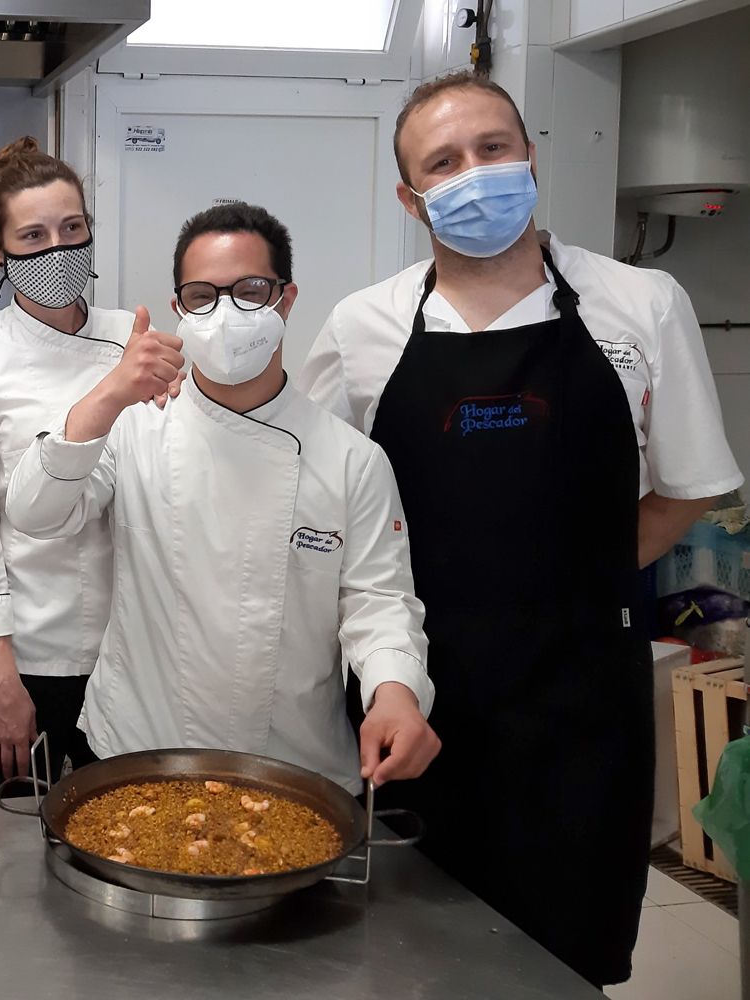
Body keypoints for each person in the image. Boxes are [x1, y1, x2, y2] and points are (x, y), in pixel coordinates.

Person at [300, 71, 744, 987]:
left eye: (492, 149)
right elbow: (323, 502)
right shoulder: (364, 327)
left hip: (580, 694)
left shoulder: (639, 302)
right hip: (415, 690)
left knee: (567, 951)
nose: (475, 173)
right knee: (409, 952)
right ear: (410, 196)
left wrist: (577, 576)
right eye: (444, 162)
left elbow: (691, 487)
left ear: (530, 154)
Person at [5, 201, 441, 795]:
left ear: (286, 301)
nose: (227, 312)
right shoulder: (136, 427)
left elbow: (379, 603)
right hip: (140, 753)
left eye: (251, 291)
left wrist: (396, 693)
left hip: (292, 765)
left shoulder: (350, 459)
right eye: (204, 295)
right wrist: (107, 396)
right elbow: (35, 513)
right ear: (180, 308)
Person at [0, 136, 141, 795]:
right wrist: (0, 680)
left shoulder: (134, 340)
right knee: (2, 858)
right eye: (33, 235)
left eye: (72, 229)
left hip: (128, 656)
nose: (58, 249)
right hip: (18, 657)